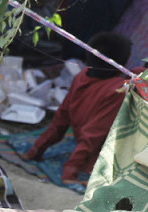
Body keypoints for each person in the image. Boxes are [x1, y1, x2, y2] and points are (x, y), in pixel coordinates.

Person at [24, 32, 133, 189]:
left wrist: (35, 151)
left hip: (82, 139)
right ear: (122, 61)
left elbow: (60, 119)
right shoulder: (118, 89)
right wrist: (70, 174)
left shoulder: (82, 75)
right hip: (96, 158)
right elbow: (93, 135)